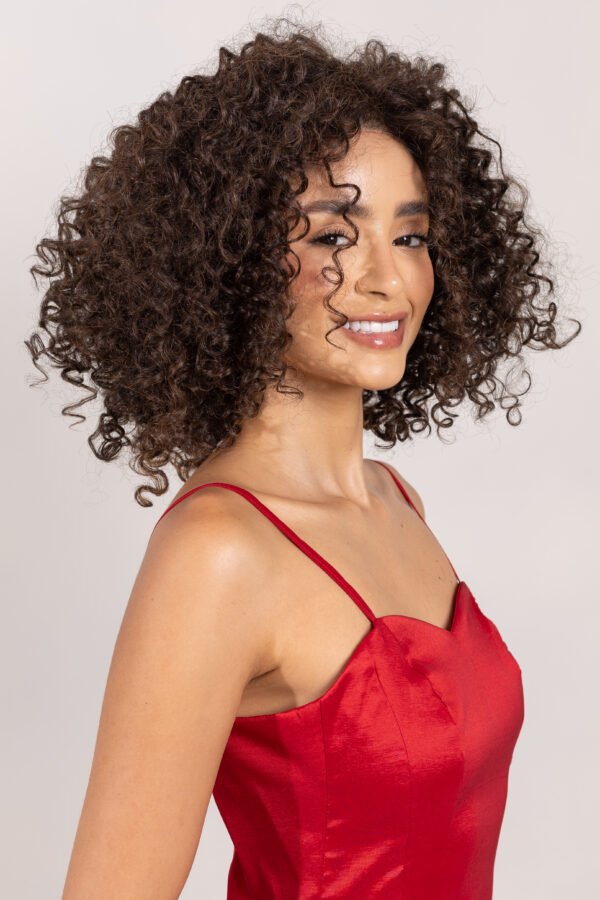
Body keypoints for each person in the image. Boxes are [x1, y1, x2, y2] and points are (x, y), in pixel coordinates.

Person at [25, 16, 580, 900]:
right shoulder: (217, 554)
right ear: (235, 260)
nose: (386, 279)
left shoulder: (395, 500)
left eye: (410, 236)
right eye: (332, 238)